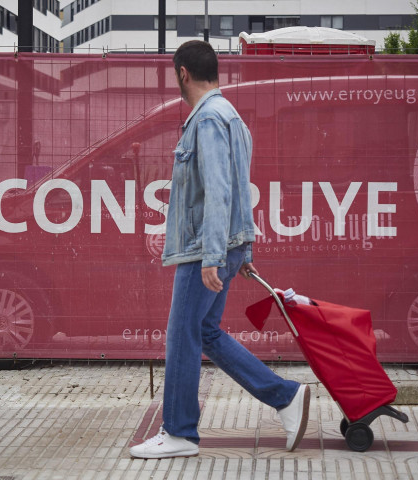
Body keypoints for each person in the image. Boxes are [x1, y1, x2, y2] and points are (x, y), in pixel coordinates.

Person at [130, 41, 310, 459]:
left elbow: (218, 189)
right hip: (225, 245)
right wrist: (241, 248)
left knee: (181, 336)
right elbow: (239, 188)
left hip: (203, 250)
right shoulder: (232, 118)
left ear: (182, 74)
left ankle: (178, 433)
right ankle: (284, 396)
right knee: (205, 332)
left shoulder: (207, 119)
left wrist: (214, 254)